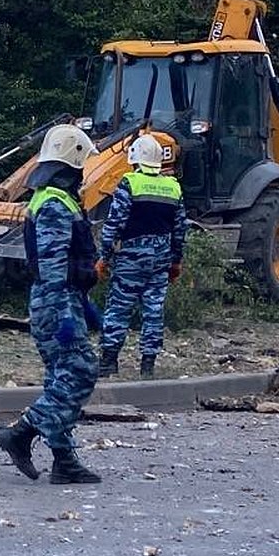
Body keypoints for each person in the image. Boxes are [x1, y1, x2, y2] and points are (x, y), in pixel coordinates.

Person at [0, 123, 102, 485]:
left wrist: (83, 304)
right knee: (82, 370)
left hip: (60, 298)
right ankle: (21, 433)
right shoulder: (55, 203)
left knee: (61, 375)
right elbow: (54, 261)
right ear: (72, 160)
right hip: (56, 301)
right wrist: (66, 314)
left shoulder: (51, 197)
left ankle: (63, 460)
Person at [95, 133, 188, 378]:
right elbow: (180, 229)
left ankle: (108, 362)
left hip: (131, 258)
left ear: (134, 157)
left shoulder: (129, 183)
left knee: (119, 307)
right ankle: (148, 365)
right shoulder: (173, 187)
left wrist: (104, 256)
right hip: (161, 259)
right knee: (154, 309)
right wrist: (176, 261)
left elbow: (114, 224)